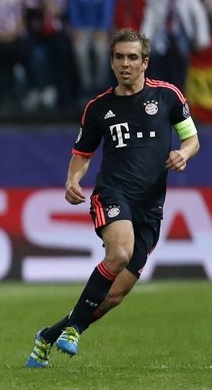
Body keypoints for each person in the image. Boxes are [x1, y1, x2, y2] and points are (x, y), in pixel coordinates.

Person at [26, 28, 200, 368]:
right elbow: (82, 153)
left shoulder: (168, 97)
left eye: (132, 57)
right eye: (119, 57)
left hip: (150, 207)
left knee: (113, 296)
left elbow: (192, 139)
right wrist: (72, 179)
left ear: (145, 62)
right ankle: (74, 328)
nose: (125, 64)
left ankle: (48, 336)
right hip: (112, 193)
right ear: (111, 61)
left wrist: (184, 154)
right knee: (119, 252)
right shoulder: (98, 108)